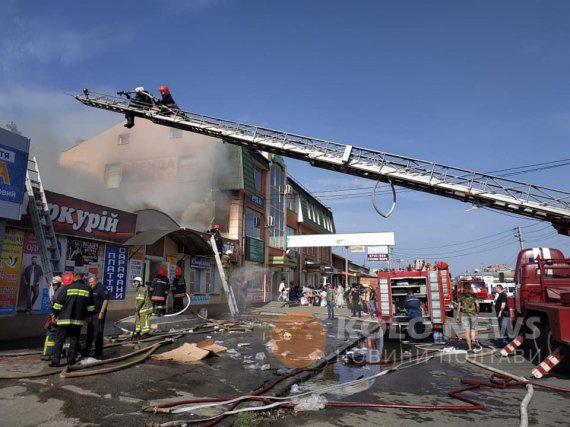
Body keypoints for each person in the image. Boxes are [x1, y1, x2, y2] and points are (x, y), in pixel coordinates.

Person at [49, 273, 95, 367]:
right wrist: (88, 316)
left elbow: (58, 304)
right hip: (77, 321)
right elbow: (90, 307)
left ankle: (55, 362)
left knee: (59, 340)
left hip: (63, 320)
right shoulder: (87, 289)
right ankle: (71, 361)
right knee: (74, 341)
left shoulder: (67, 288)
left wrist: (55, 314)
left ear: (74, 279)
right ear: (83, 279)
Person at [82, 275, 109, 359]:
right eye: (89, 282)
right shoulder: (90, 289)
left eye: (92, 282)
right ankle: (87, 351)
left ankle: (98, 353)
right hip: (91, 314)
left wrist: (102, 312)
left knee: (98, 334)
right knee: (90, 333)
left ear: (96, 281)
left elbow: (106, 299)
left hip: (98, 314)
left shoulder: (101, 288)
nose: (90, 284)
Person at [41, 275, 64, 361]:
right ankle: (59, 352)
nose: (55, 286)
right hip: (59, 316)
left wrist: (54, 315)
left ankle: (49, 353)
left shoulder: (60, 291)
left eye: (56, 284)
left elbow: (58, 304)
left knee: (52, 334)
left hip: (58, 316)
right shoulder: (56, 290)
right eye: (54, 284)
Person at [456, 283, 481, 353]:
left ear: (463, 288)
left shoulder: (461, 296)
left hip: (465, 315)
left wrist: (457, 315)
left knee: (467, 332)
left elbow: (458, 307)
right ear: (470, 288)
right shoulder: (473, 295)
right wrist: (477, 312)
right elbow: (478, 305)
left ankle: (470, 348)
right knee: (473, 329)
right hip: (473, 314)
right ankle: (473, 340)